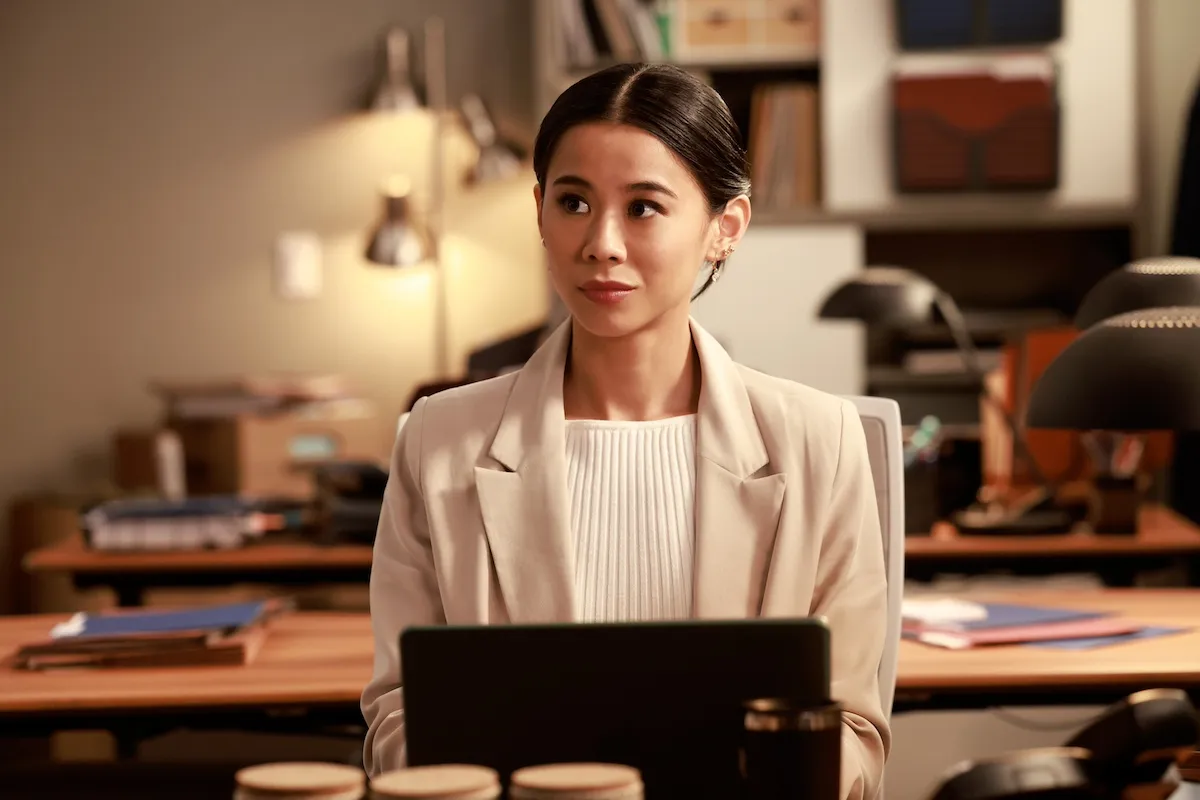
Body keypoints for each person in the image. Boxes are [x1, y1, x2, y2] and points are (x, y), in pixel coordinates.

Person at [362, 63, 890, 800]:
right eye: (574, 202)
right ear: (539, 210)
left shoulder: (819, 442)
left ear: (723, 229)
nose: (601, 243)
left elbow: (857, 734)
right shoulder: (438, 439)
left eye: (644, 208)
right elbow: (396, 715)